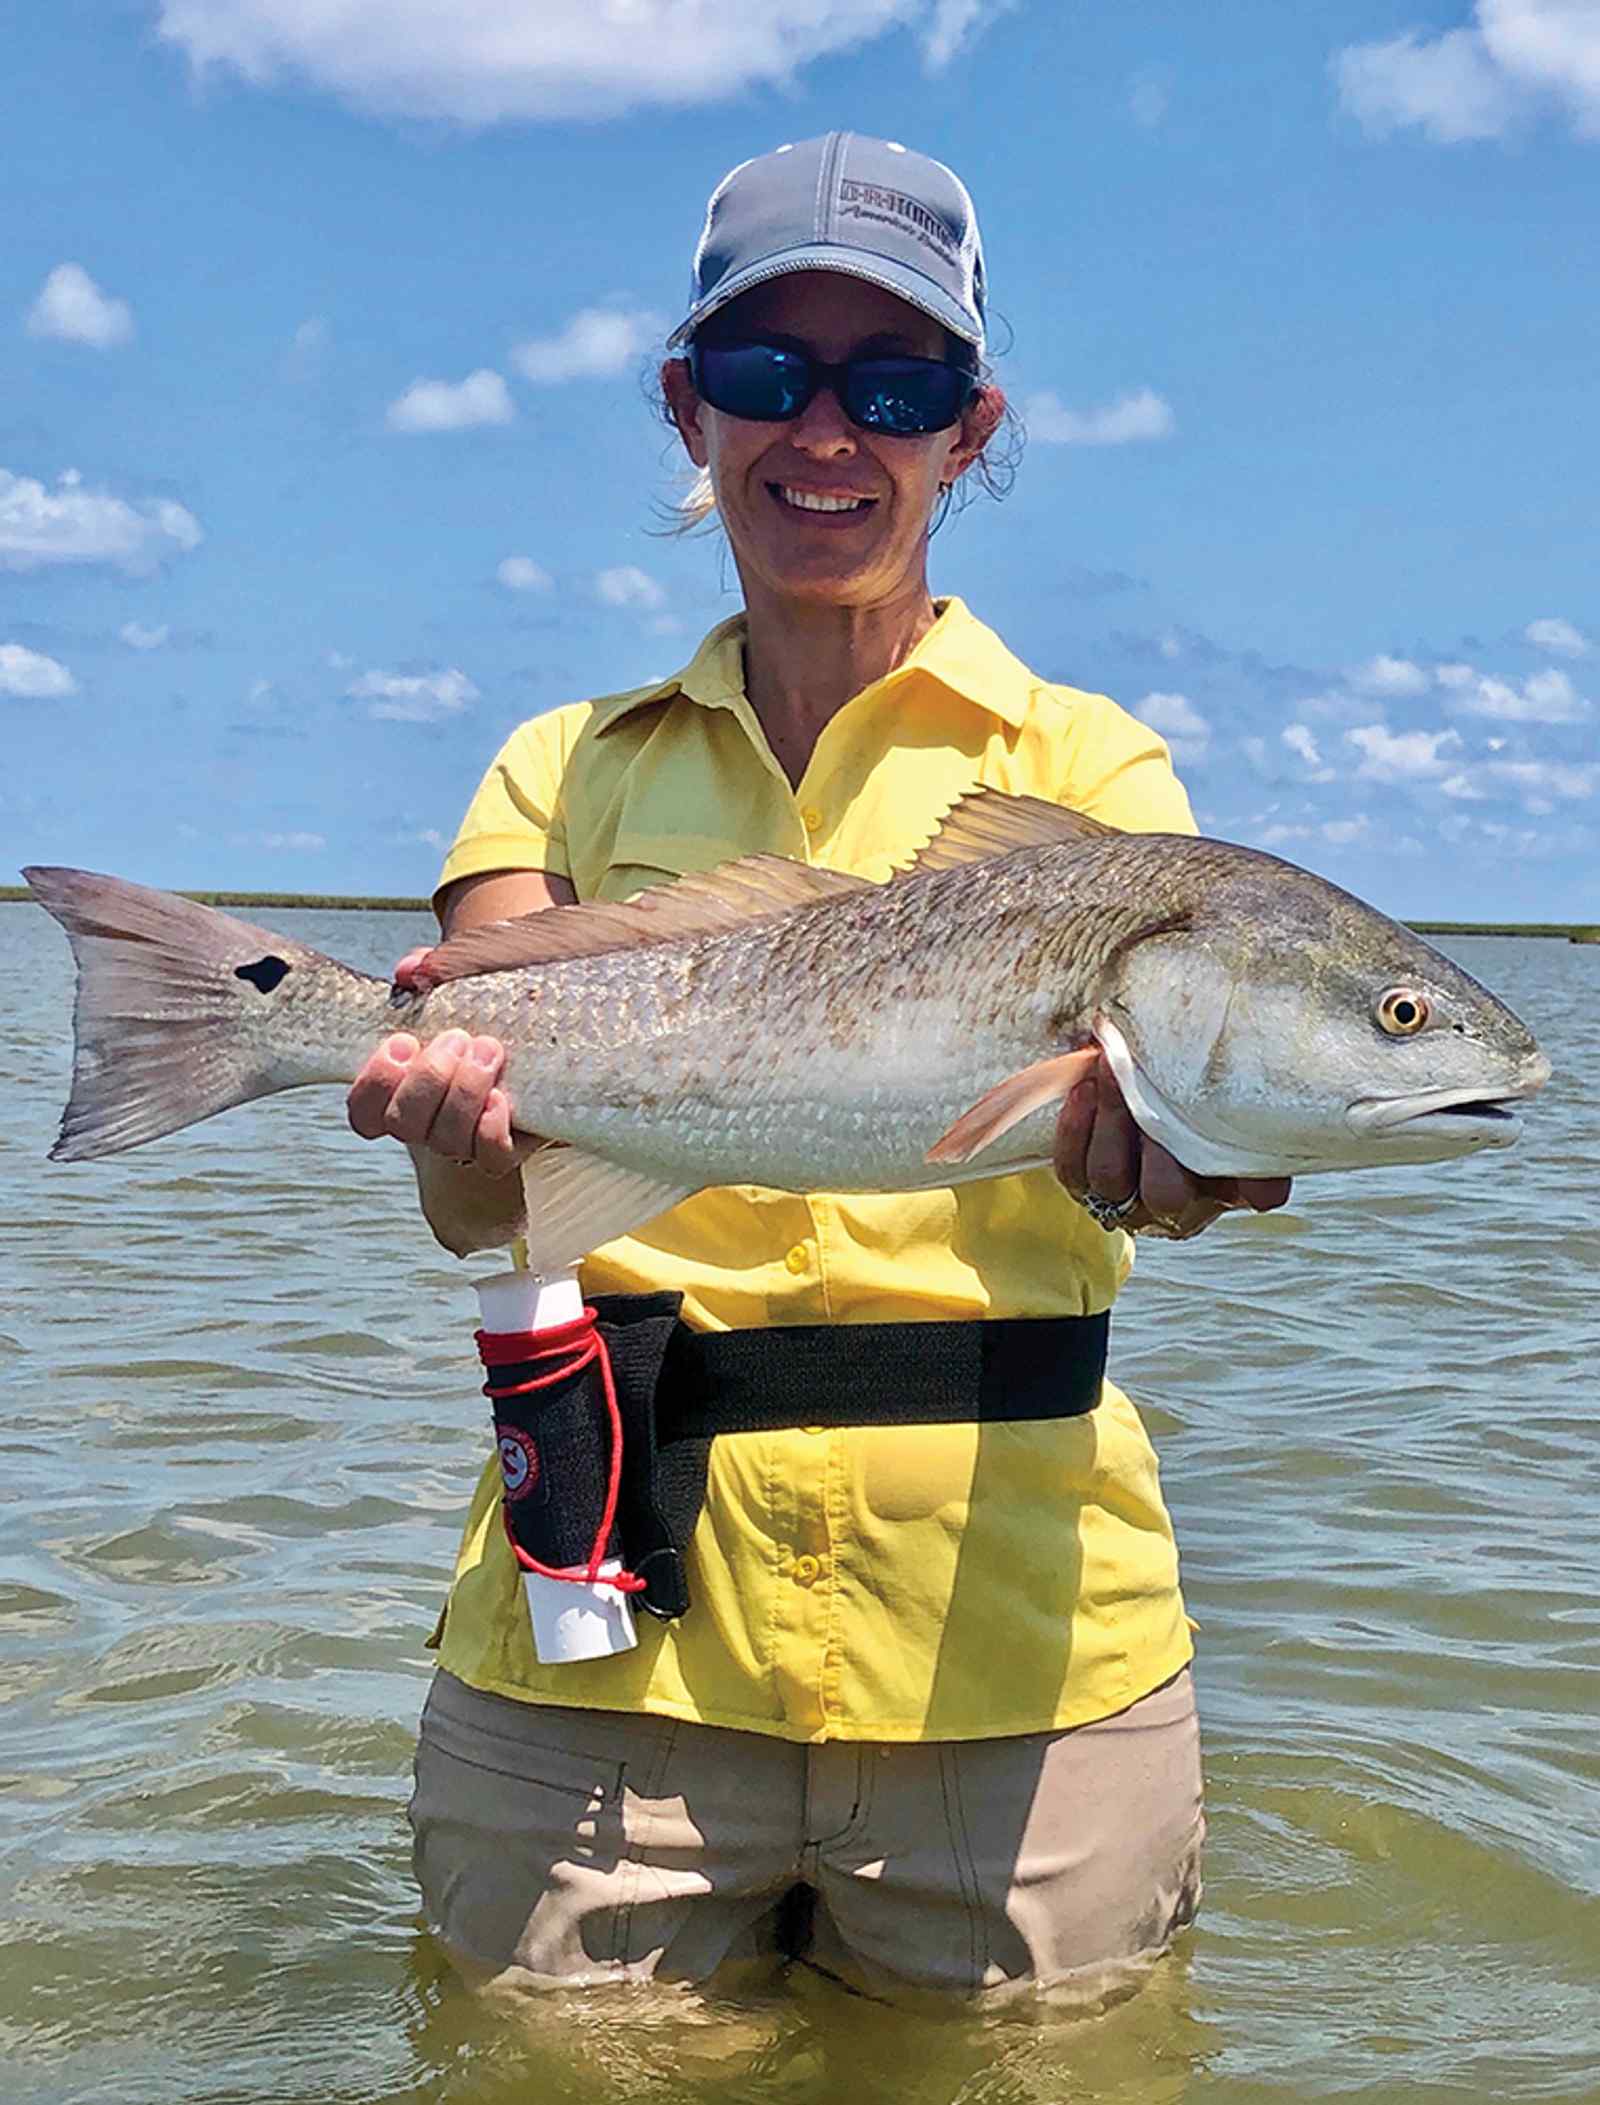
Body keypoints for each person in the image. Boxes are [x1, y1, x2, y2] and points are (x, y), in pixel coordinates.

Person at [348, 133, 1289, 2011]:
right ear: (688, 408)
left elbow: (1172, 1170)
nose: (829, 431)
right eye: (768, 372)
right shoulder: (558, 768)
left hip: (1019, 1653)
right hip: (601, 1633)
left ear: (972, 428)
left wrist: (1182, 1164)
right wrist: (449, 1130)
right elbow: (487, 1205)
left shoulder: (1091, 773)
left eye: (900, 383)